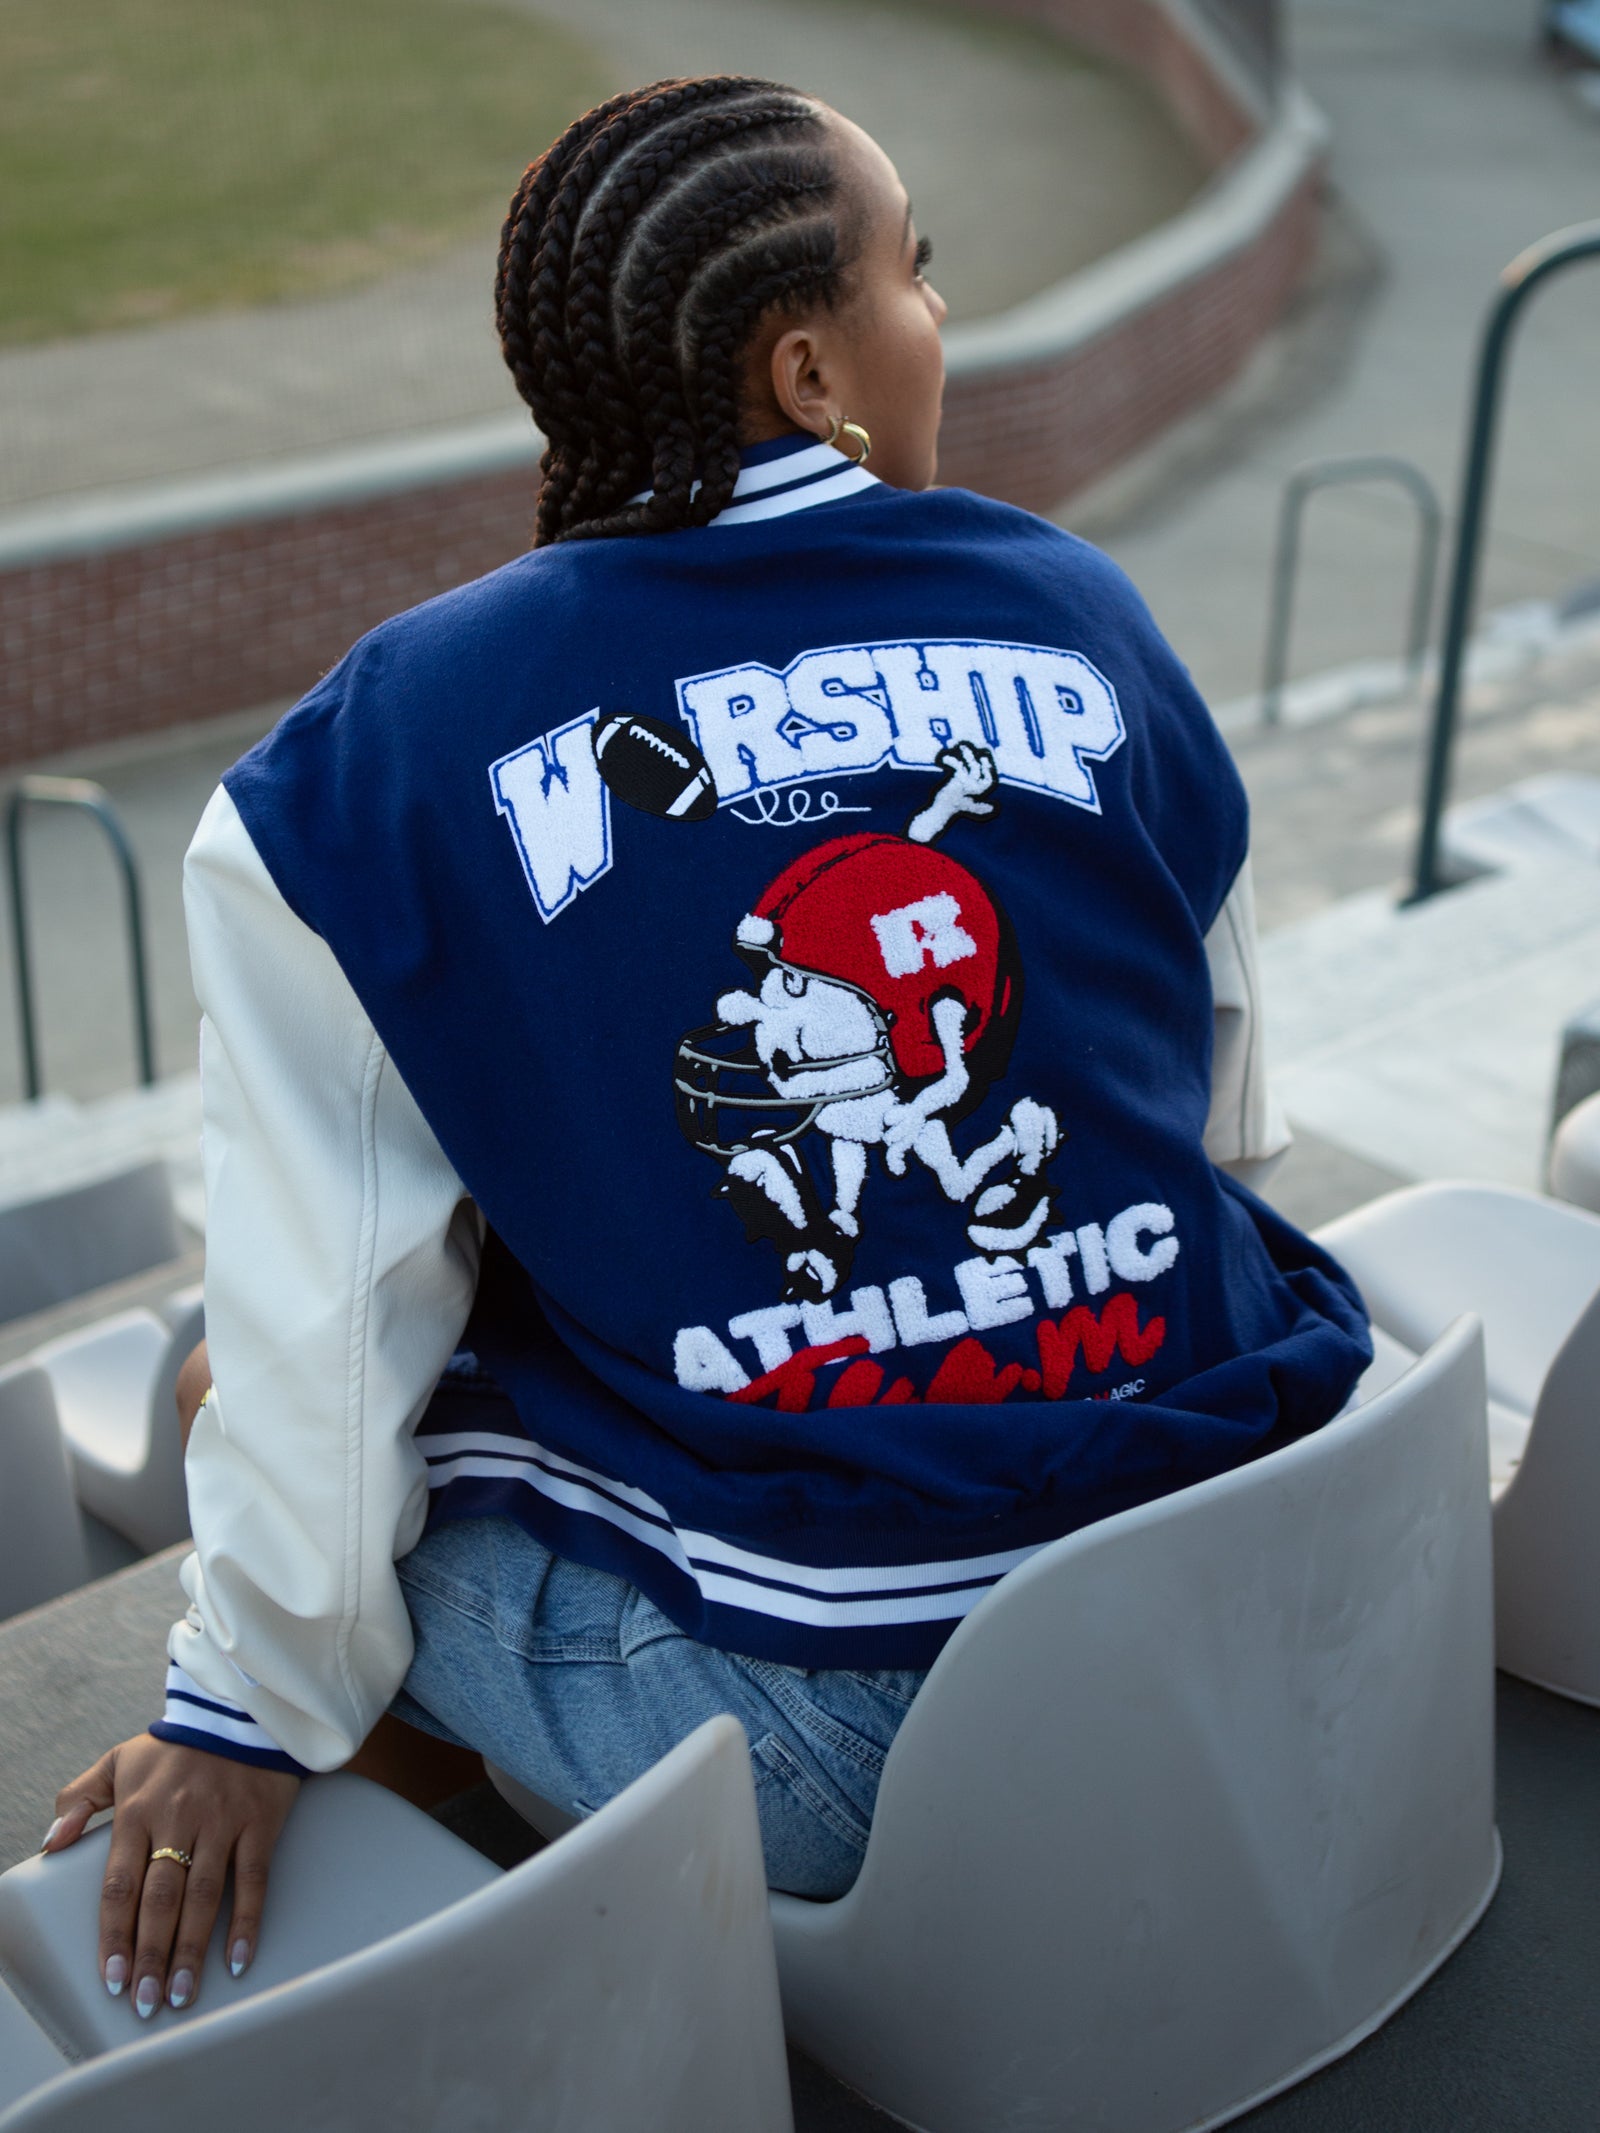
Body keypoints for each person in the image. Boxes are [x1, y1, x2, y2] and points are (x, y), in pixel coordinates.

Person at [41, 76, 1371, 2022]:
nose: (939, 315)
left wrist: (234, 1708)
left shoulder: (371, 760)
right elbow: (1224, 1117)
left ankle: (423, 1836)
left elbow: (323, 1339)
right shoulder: (1081, 605)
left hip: (854, 1727)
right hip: (1269, 1559)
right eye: (917, 269)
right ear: (812, 361)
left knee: (218, 1377)